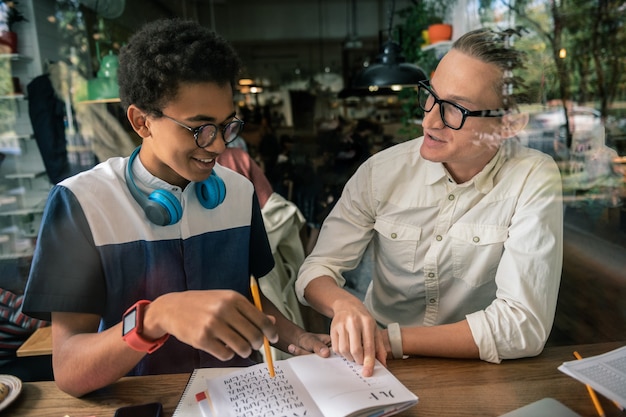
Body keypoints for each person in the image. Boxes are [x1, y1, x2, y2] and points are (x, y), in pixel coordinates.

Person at [22, 18, 330, 397]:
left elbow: (249, 296)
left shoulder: (236, 191)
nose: (218, 146)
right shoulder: (82, 204)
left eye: (226, 125)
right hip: (144, 400)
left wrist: (299, 338)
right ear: (141, 122)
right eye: (199, 128)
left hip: (240, 396)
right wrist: (156, 317)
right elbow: (70, 369)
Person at [295, 27, 563, 377]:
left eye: (455, 109)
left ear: (509, 124)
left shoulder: (532, 177)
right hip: (375, 368)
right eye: (431, 97)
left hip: (476, 370)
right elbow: (315, 271)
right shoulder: (382, 172)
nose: (429, 120)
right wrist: (345, 305)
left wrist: (388, 339)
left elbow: (522, 326)